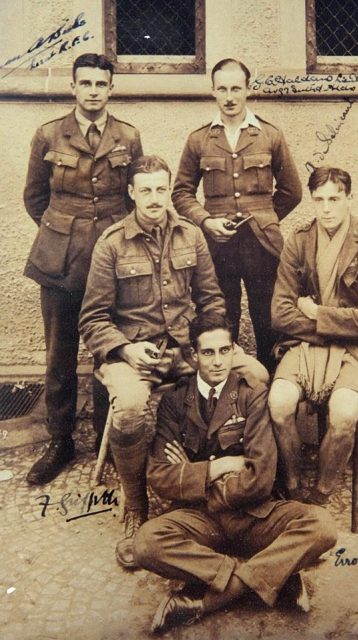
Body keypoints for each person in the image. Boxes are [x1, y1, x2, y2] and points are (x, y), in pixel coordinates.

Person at [79, 155, 268, 569]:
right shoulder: (111, 243)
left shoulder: (190, 235)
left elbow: (211, 298)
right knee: (129, 407)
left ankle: (255, 490)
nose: (154, 198)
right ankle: (136, 502)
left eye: (161, 189)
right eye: (144, 190)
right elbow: (91, 318)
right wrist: (126, 349)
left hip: (187, 347)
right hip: (133, 353)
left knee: (256, 375)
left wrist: (212, 345)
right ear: (131, 193)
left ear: (170, 191)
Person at [133, 312, 337, 633]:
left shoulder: (252, 394)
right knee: (145, 543)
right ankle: (269, 574)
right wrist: (220, 466)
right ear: (193, 355)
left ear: (233, 351)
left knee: (322, 526)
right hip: (201, 521)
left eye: (225, 351)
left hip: (253, 515)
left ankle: (218, 594)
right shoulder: (174, 402)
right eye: (209, 353)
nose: (218, 362)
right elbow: (159, 476)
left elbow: (261, 478)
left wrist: (194, 475)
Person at [23, 53, 143, 486]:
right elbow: (34, 198)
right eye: (85, 83)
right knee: (60, 354)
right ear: (74, 87)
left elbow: (133, 198)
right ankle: (60, 440)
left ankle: (104, 440)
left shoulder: (128, 136)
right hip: (58, 261)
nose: (93, 90)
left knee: (107, 349)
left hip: (111, 260)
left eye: (100, 83)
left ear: (111, 89)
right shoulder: (49, 134)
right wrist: (63, 233)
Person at [268, 167, 358, 505]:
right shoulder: (298, 240)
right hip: (308, 344)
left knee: (342, 414)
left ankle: (322, 491)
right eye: (319, 200)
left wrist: (317, 313)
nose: (326, 208)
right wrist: (331, 328)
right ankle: (294, 482)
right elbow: (280, 313)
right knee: (279, 402)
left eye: (334, 199)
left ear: (348, 199)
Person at [172, 58, 302, 372]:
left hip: (263, 247)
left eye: (236, 88)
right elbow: (181, 193)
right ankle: (228, 396)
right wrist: (206, 221)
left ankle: (269, 394)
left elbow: (292, 191)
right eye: (222, 89)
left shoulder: (269, 135)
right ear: (213, 92)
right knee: (220, 318)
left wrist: (265, 217)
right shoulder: (200, 139)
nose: (229, 97)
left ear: (247, 89)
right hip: (218, 246)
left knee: (268, 320)